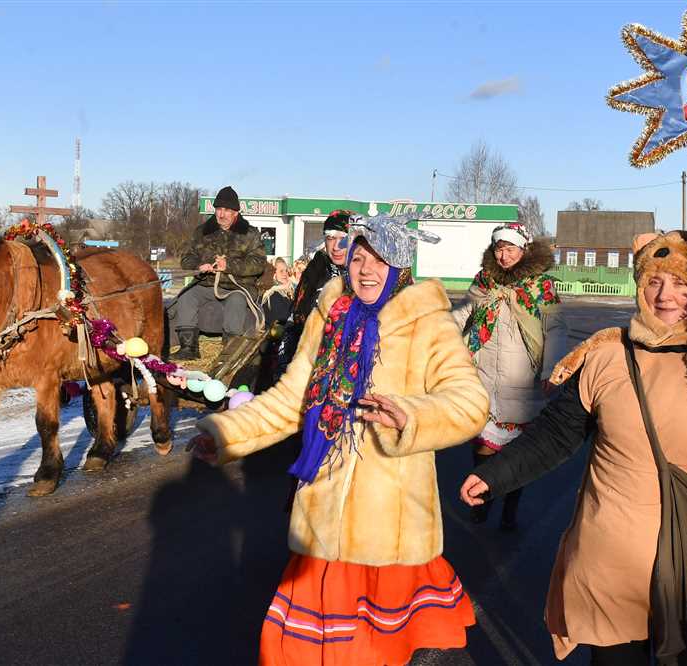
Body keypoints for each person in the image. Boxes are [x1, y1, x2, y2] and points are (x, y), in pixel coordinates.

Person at [460, 230, 687, 665]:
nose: (666, 296)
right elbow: (555, 434)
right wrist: (494, 474)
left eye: (682, 284)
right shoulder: (607, 356)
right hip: (612, 563)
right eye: (654, 281)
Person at [190, 213, 489, 666]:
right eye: (359, 257)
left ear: (400, 266)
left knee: (374, 651)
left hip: (389, 522)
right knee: (299, 650)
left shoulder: (428, 321)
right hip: (321, 514)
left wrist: (411, 415)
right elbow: (293, 397)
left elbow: (469, 401)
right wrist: (225, 434)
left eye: (379, 259)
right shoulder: (330, 314)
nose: (366, 269)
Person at [452, 222, 567, 529]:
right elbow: (464, 312)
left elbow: (555, 328)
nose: (503, 255)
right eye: (499, 248)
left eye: (510, 248)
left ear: (523, 249)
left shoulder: (540, 287)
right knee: (482, 448)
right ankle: (482, 502)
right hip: (483, 377)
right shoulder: (484, 281)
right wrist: (440, 329)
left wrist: (551, 369)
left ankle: (509, 510)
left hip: (521, 381)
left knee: (516, 455)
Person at [170, 186, 267, 360]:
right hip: (205, 283)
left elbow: (258, 263)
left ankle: (229, 352)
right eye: (219, 209)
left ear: (236, 213)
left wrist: (229, 265)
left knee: (236, 301)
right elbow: (186, 258)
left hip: (237, 287)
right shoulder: (202, 232)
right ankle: (188, 347)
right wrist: (199, 265)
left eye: (227, 210)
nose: (221, 214)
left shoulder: (250, 234)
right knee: (186, 296)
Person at [276, 210, 351, 377]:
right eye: (330, 238)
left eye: (343, 239)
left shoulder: (363, 270)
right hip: (311, 347)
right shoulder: (317, 267)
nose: (336, 246)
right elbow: (297, 313)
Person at [260, 257, 294, 325]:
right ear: (273, 274)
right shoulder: (272, 294)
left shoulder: (289, 291)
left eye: (286, 271)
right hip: (277, 333)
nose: (285, 274)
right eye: (281, 271)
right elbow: (282, 319)